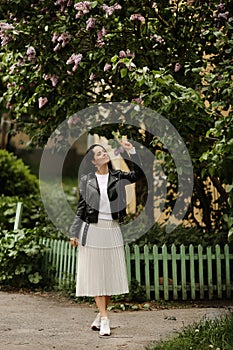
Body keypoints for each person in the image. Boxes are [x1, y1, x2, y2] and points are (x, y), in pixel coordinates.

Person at [69, 139, 143, 336]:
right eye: (99, 153)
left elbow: (139, 174)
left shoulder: (118, 176)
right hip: (92, 229)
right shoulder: (86, 180)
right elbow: (81, 208)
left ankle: (100, 315)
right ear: (93, 161)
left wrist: (132, 152)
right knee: (96, 276)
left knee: (107, 276)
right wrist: (74, 232)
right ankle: (104, 318)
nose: (104, 154)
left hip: (111, 230)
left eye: (104, 152)